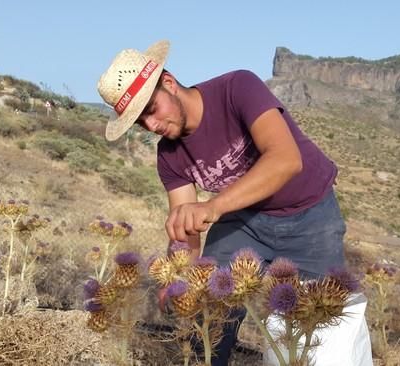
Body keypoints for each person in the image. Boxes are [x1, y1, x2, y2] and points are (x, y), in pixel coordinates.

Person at [97, 40, 347, 365]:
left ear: (169, 83)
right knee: (208, 304)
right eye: (139, 123)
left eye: (150, 110)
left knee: (320, 327)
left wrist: (212, 207)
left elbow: (286, 160)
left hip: (311, 217)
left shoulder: (237, 88)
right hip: (243, 222)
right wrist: (177, 275)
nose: (151, 126)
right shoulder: (169, 155)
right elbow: (184, 224)